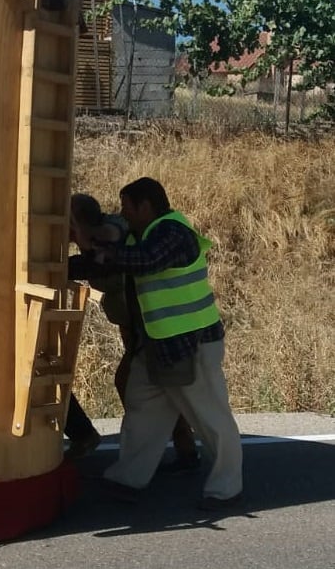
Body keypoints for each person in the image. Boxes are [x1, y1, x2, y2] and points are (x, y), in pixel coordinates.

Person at [97, 177, 243, 511]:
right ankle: (127, 479)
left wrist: (109, 253)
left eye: (127, 207)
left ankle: (227, 489)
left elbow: (145, 260)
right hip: (158, 346)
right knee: (142, 407)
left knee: (211, 419)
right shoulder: (144, 233)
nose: (124, 214)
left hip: (192, 345)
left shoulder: (174, 233)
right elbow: (120, 246)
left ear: (145, 206)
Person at [66, 194, 199, 470]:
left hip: (149, 328)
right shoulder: (96, 240)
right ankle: (179, 450)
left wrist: (85, 242)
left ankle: (146, 461)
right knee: (156, 388)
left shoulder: (110, 237)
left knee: (141, 386)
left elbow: (106, 257)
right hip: (137, 328)